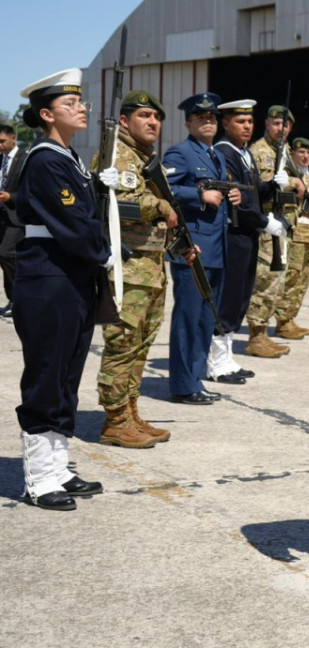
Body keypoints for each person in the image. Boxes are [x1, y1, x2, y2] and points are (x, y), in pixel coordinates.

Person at [13, 68, 118, 510]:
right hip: (50, 276)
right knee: (47, 376)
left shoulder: (68, 158)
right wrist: (104, 251)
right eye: (69, 104)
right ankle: (39, 478)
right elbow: (72, 221)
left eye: (82, 103)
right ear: (46, 114)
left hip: (71, 275)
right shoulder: (46, 158)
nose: (80, 109)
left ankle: (58, 466)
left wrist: (94, 185)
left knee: (67, 376)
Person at [95, 91, 178, 447]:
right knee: (123, 342)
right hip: (128, 268)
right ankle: (114, 421)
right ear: (125, 121)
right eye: (144, 115)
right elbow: (125, 205)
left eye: (157, 117)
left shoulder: (144, 158)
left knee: (141, 343)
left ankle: (129, 411)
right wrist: (161, 205)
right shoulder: (118, 155)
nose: (153, 122)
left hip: (150, 266)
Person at [164, 92, 237, 404]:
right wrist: (199, 195)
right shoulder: (180, 153)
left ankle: (195, 379)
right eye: (200, 118)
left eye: (211, 118)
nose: (207, 123)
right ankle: (183, 385)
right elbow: (163, 188)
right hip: (192, 248)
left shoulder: (215, 156)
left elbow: (219, 191)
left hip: (216, 248)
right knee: (189, 318)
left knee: (206, 319)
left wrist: (234, 196)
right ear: (188, 123)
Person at [210, 99, 287, 377]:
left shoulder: (244, 153)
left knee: (241, 297)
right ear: (226, 123)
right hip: (234, 234)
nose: (246, 126)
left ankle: (227, 357)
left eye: (249, 121)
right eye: (240, 121)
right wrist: (266, 222)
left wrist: (271, 186)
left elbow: (252, 194)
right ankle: (216, 362)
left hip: (248, 235)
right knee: (229, 297)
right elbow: (236, 200)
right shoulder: (224, 152)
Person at [246, 105, 305, 357]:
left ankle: (264, 332)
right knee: (265, 281)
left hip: (283, 224)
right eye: (276, 123)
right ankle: (256, 337)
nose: (281, 129)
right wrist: (294, 183)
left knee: (277, 281)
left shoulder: (283, 152)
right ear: (267, 124)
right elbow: (261, 185)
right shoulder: (261, 151)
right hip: (267, 225)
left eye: (286, 125)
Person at [274, 136, 309, 340]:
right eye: (301, 153)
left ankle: (290, 318)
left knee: (303, 279)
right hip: (296, 233)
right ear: (293, 154)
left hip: (308, 235)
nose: (306, 156)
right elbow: (283, 191)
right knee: (292, 277)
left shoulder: (307, 175)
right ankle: (282, 321)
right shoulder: (290, 175)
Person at [0, 123, 25, 316]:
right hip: (1, 216)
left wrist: (11, 197)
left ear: (13, 138)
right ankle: (13, 300)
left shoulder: (25, 159)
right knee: (4, 258)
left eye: (2, 141)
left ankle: (20, 300)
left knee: (7, 254)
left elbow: (31, 190)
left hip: (16, 216)